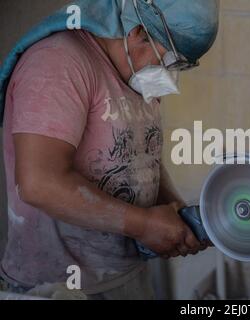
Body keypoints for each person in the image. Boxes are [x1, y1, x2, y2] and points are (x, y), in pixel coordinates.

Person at [0, 0, 219, 299]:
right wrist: (143, 225)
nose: (170, 79)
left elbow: (141, 156)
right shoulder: (57, 64)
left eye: (180, 67)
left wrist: (175, 212)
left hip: (125, 275)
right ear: (138, 32)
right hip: (58, 288)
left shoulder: (139, 72)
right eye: (170, 62)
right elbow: (38, 183)